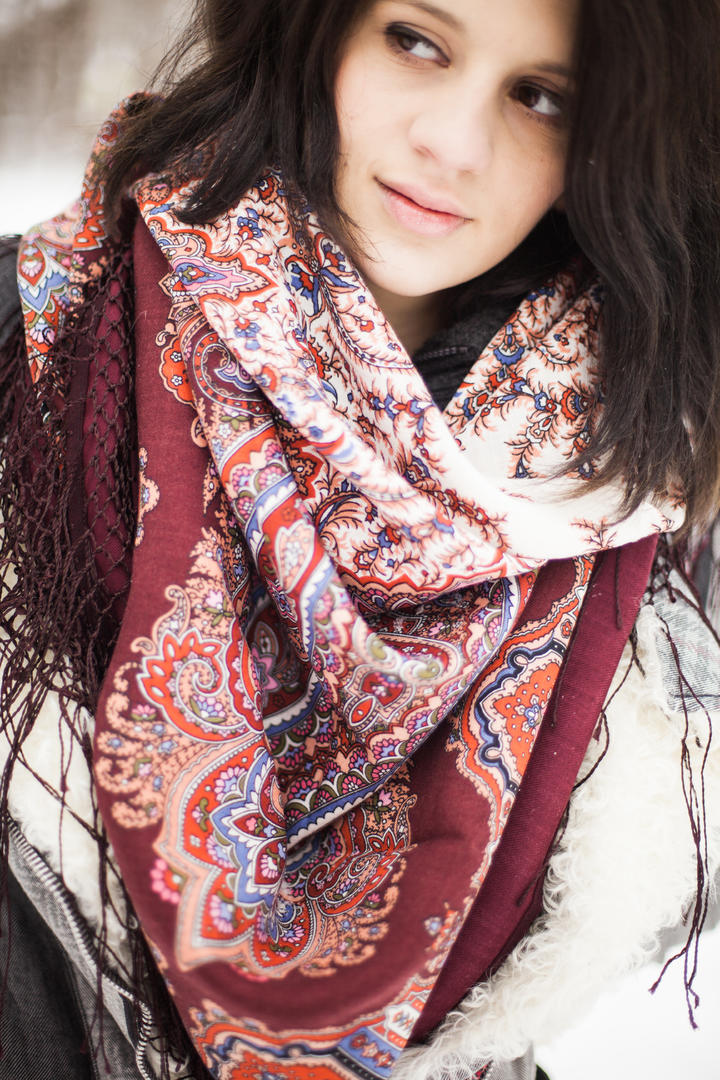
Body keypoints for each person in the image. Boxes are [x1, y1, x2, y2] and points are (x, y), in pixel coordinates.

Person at [1, 1, 719, 1078]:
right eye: (416, 41)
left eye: (541, 97)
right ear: (315, 27)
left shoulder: (646, 481)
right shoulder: (38, 341)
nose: (454, 143)